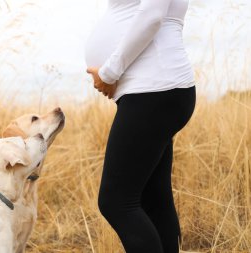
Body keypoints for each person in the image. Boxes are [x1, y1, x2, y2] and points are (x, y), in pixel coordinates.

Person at [84, 0, 196, 252]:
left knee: (116, 202)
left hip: (153, 89)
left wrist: (109, 73)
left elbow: (152, 14)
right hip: (155, 90)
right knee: (154, 198)